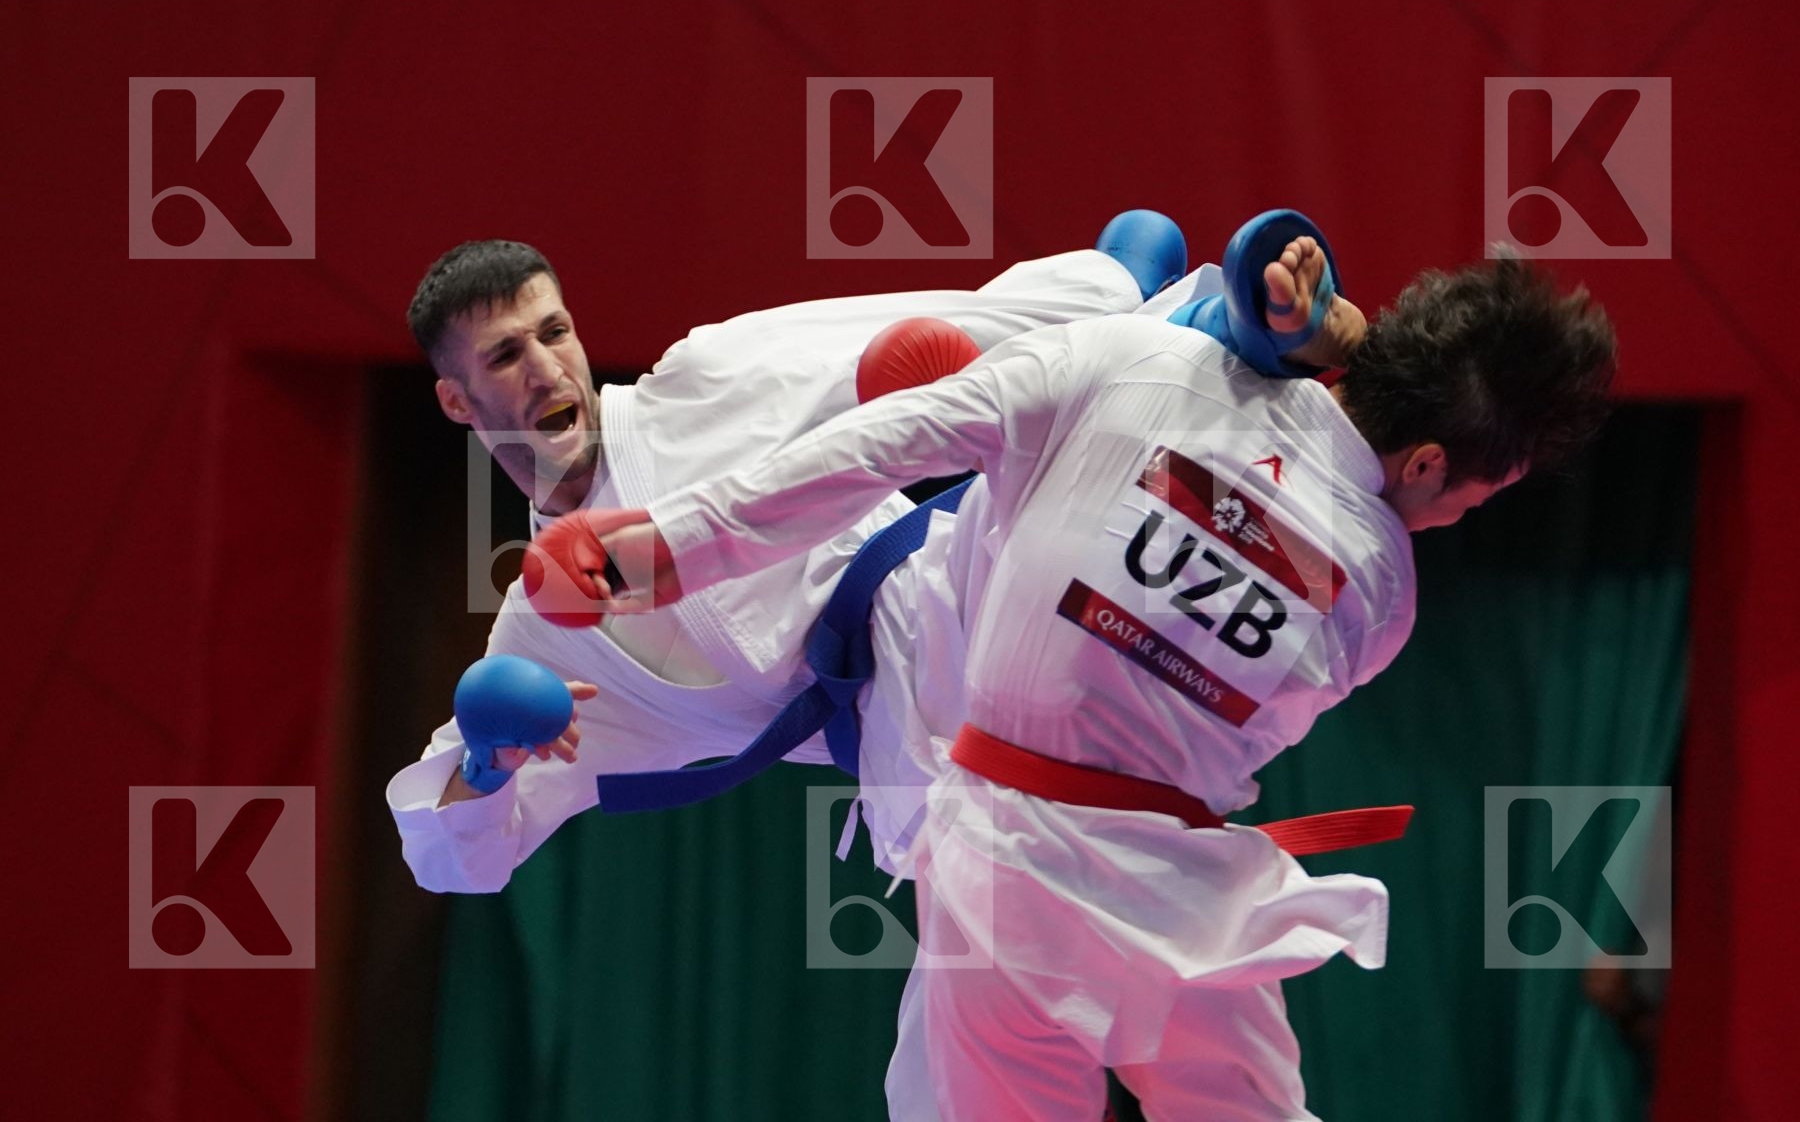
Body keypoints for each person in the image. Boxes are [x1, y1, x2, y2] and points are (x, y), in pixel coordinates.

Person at [551, 253, 1616, 1120]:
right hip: (1177, 899)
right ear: (1427, 463)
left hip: (999, 854)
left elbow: (896, 437)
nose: (1453, 518)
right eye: (1477, 497)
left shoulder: (1144, 359)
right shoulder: (1380, 595)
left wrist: (672, 543)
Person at [386, 217, 1355, 892]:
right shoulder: (548, 645)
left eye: (554, 332)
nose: (550, 367)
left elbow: (901, 341)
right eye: (507, 356)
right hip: (915, 771)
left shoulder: (702, 383)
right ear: (457, 401)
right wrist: (488, 758)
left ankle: (1235, 343)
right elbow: (457, 858)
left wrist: (1107, 295)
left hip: (956, 587)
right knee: (975, 1063)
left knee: (1068, 432)